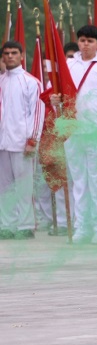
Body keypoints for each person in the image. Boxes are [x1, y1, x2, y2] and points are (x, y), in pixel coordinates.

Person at [57, 25, 97, 243]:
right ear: (78, 42)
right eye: (82, 40)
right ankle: (81, 227)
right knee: (79, 181)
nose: (85, 44)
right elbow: (57, 91)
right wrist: (54, 100)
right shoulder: (68, 64)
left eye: (90, 41)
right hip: (74, 129)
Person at [0, 41, 44, 239]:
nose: (10, 56)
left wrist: (32, 140)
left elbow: (36, 113)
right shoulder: (1, 81)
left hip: (22, 143)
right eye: (7, 53)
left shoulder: (31, 82)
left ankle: (26, 224)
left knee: (24, 186)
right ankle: (7, 224)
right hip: (2, 142)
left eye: (14, 53)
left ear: (21, 55)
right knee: (4, 187)